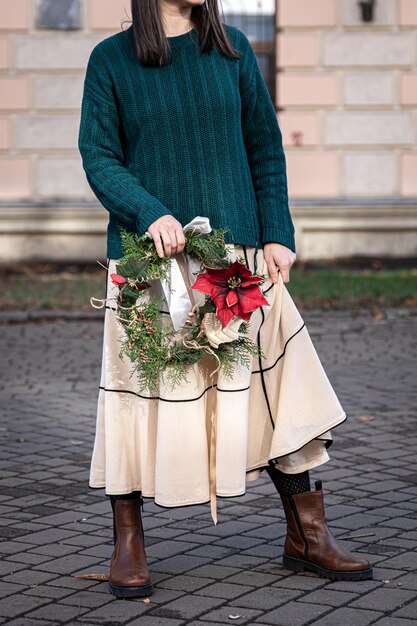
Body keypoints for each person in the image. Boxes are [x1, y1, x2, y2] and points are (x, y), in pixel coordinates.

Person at [78, 0, 373, 600]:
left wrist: (277, 234)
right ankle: (127, 542)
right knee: (138, 393)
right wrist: (150, 210)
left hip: (236, 262)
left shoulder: (233, 51)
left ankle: (306, 535)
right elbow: (99, 155)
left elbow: (265, 148)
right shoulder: (110, 60)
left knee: (274, 388)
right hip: (150, 264)